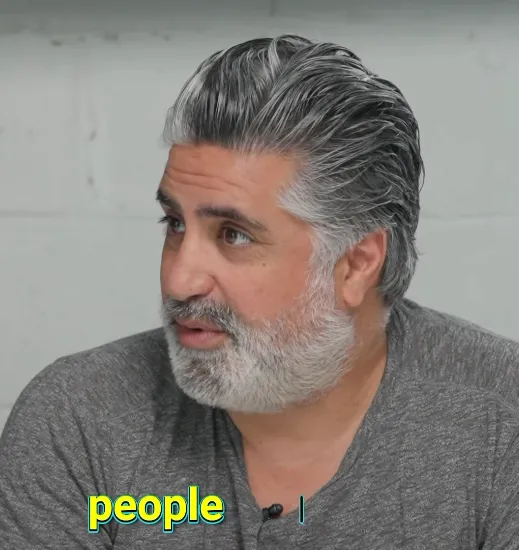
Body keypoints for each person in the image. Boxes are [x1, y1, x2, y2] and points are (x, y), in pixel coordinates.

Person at [0, 34, 518, 550]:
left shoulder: (500, 420)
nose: (179, 280)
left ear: (356, 265)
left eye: (234, 235)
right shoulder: (80, 419)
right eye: (175, 223)